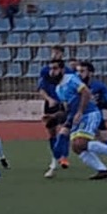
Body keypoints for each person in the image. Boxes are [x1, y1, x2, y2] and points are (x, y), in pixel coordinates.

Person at [58, 61, 107, 180]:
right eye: (78, 71)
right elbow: (68, 105)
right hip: (79, 117)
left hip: (94, 116)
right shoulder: (73, 84)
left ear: (90, 73)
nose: (79, 74)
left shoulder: (98, 86)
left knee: (104, 141)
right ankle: (103, 169)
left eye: (82, 71)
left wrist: (97, 102)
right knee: (76, 146)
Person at [37, 48, 71, 177]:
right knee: (51, 132)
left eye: (58, 52)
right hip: (50, 104)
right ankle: (56, 156)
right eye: (53, 52)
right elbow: (41, 88)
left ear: (62, 54)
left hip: (63, 104)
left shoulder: (68, 71)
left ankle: (63, 157)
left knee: (63, 130)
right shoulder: (45, 71)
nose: (55, 54)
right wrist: (49, 99)